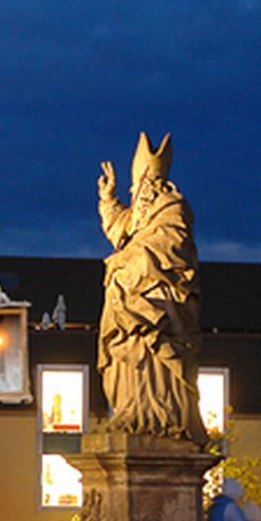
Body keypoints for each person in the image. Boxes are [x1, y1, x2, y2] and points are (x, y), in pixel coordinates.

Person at [97, 132, 207, 445]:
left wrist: (125, 261)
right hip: (133, 296)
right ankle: (132, 409)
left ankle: (159, 415)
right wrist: (108, 200)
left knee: (150, 341)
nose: (134, 191)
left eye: (137, 185)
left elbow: (169, 247)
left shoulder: (173, 207)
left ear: (150, 182)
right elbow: (122, 230)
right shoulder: (139, 212)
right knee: (127, 344)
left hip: (162, 302)